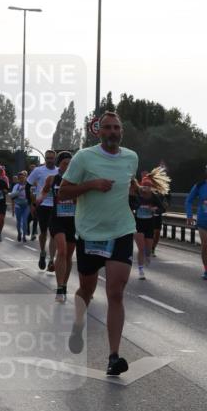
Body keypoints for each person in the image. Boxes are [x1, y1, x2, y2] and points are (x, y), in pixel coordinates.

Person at [58, 111, 139, 376]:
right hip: (90, 233)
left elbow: (130, 185)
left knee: (116, 292)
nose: (113, 132)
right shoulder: (84, 157)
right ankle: (78, 324)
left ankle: (113, 356)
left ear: (121, 132)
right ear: (98, 131)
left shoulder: (131, 158)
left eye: (117, 127)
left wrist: (142, 190)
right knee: (87, 289)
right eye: (107, 128)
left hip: (122, 230)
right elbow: (64, 192)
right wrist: (91, 184)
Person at [41, 152, 76, 302]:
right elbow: (43, 191)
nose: (68, 166)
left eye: (70, 163)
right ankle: (59, 288)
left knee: (68, 256)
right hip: (57, 220)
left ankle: (64, 285)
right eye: (65, 163)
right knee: (61, 251)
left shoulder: (78, 180)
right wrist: (38, 200)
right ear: (59, 165)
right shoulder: (52, 179)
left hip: (73, 221)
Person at [27, 150, 58, 271]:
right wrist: (32, 203)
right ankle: (42, 253)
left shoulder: (58, 171)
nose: (50, 160)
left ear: (55, 159)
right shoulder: (38, 171)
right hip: (42, 205)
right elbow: (28, 185)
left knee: (54, 234)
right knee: (44, 233)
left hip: (55, 206)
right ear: (45, 158)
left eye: (52, 158)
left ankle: (51, 260)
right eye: (48, 158)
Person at [9, 171, 31, 241]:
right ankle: (19, 233)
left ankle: (24, 236)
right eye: (20, 178)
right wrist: (19, 190)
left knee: (24, 221)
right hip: (18, 206)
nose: (22, 179)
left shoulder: (28, 186)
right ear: (18, 179)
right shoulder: (16, 186)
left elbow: (32, 195)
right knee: (18, 221)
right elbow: (12, 195)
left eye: (23, 177)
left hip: (26, 206)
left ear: (25, 178)